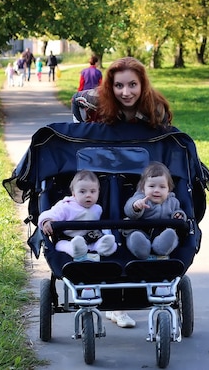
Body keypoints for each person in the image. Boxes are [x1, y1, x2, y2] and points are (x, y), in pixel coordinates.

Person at [72, 56, 174, 329]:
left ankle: (123, 300)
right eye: (119, 86)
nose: (126, 92)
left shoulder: (155, 109)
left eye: (132, 85)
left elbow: (163, 147)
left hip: (140, 175)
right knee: (106, 224)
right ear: (110, 86)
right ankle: (111, 300)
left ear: (142, 85)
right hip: (102, 171)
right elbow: (78, 141)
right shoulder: (92, 105)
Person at [37, 170, 117, 261]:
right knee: (60, 246)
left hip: (91, 238)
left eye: (92, 191)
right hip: (69, 239)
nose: (88, 195)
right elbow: (50, 213)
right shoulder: (66, 206)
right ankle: (77, 250)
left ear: (98, 192)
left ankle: (102, 247)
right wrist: (47, 220)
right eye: (82, 192)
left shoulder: (98, 209)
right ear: (74, 194)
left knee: (105, 243)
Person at [123, 162, 185, 260]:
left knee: (171, 234)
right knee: (135, 236)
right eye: (152, 186)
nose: (156, 190)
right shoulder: (140, 198)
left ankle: (162, 249)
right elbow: (128, 210)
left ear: (169, 190)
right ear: (143, 189)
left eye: (162, 187)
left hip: (162, 233)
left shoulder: (173, 202)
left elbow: (179, 211)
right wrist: (136, 207)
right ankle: (141, 250)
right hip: (141, 231)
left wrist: (178, 215)